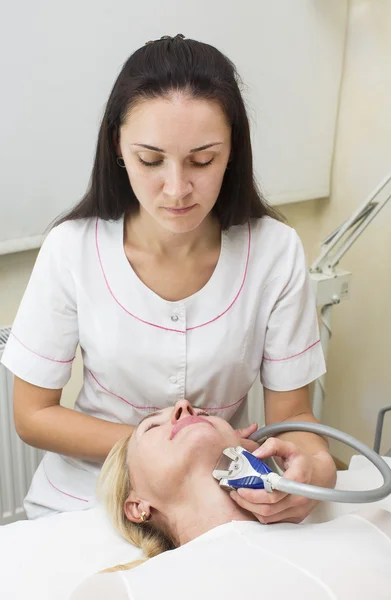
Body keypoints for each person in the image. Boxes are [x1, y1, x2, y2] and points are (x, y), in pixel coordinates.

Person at [1, 34, 336, 521]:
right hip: (84, 496)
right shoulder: (72, 248)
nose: (177, 189)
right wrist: (169, 451)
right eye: (151, 160)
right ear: (118, 144)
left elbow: (293, 417)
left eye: (203, 160)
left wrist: (315, 467)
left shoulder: (274, 251)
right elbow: (32, 416)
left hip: (218, 498)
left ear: (233, 151)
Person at [69, 400, 391, 600]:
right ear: (137, 506)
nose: (185, 406)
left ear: (248, 444)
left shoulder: (375, 528)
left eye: (204, 412)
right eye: (152, 426)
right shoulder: (118, 592)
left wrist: (319, 466)